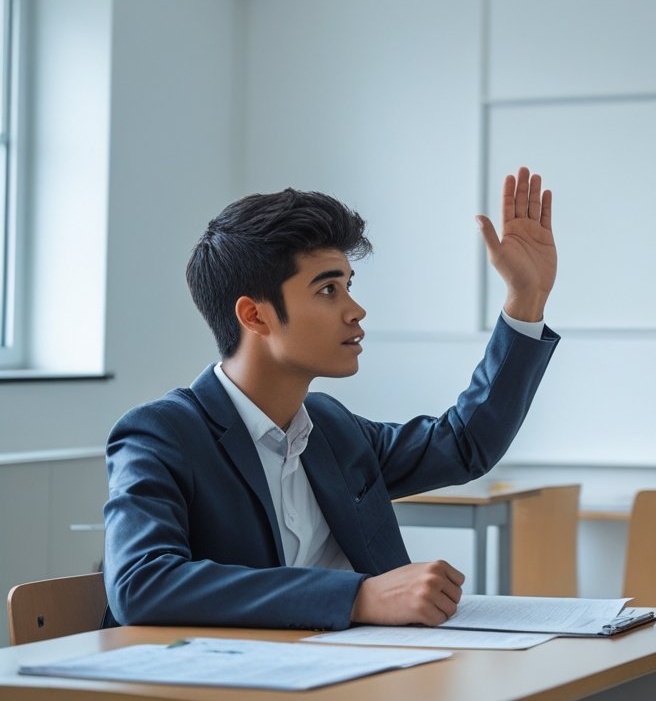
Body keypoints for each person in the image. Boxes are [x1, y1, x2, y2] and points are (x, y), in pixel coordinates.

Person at [103, 167, 558, 631]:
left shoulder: (331, 428)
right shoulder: (160, 434)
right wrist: (356, 597)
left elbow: (463, 445)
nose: (355, 310)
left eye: (348, 285)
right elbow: (142, 584)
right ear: (255, 316)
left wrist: (526, 298)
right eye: (327, 289)